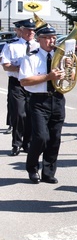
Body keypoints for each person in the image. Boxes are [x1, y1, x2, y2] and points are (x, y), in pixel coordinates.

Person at [18, 23, 66, 184]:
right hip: (38, 100)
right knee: (40, 137)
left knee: (55, 138)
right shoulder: (30, 58)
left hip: (57, 98)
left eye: (53, 37)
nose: (51, 41)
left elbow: (68, 77)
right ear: (39, 39)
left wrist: (69, 73)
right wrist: (48, 77)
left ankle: (48, 172)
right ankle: (32, 168)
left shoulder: (61, 57)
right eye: (47, 38)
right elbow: (24, 81)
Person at [1, 18, 36, 155]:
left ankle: (27, 143)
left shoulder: (38, 46)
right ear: (21, 31)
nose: (31, 33)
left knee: (30, 114)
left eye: (33, 30)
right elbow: (6, 66)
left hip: (33, 83)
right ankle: (16, 143)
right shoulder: (11, 46)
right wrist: (20, 68)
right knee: (19, 114)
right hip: (17, 83)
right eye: (28, 30)